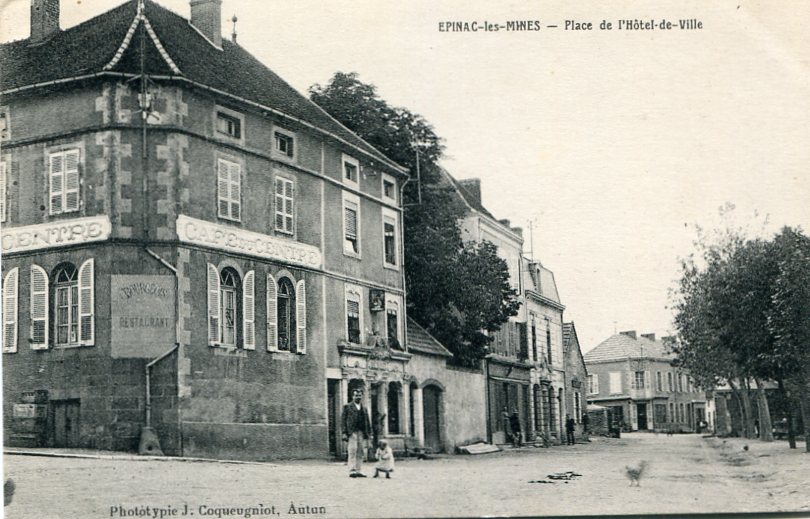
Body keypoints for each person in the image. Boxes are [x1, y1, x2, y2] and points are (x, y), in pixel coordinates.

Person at [342, 388, 372, 478]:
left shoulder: (364, 408)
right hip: (352, 432)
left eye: (359, 395)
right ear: (352, 396)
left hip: (361, 432)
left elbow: (367, 421)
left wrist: (369, 433)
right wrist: (344, 432)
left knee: (360, 451)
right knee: (352, 450)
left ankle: (359, 470)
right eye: (356, 395)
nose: (358, 397)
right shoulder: (347, 407)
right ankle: (352, 470)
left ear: (362, 396)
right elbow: (343, 421)